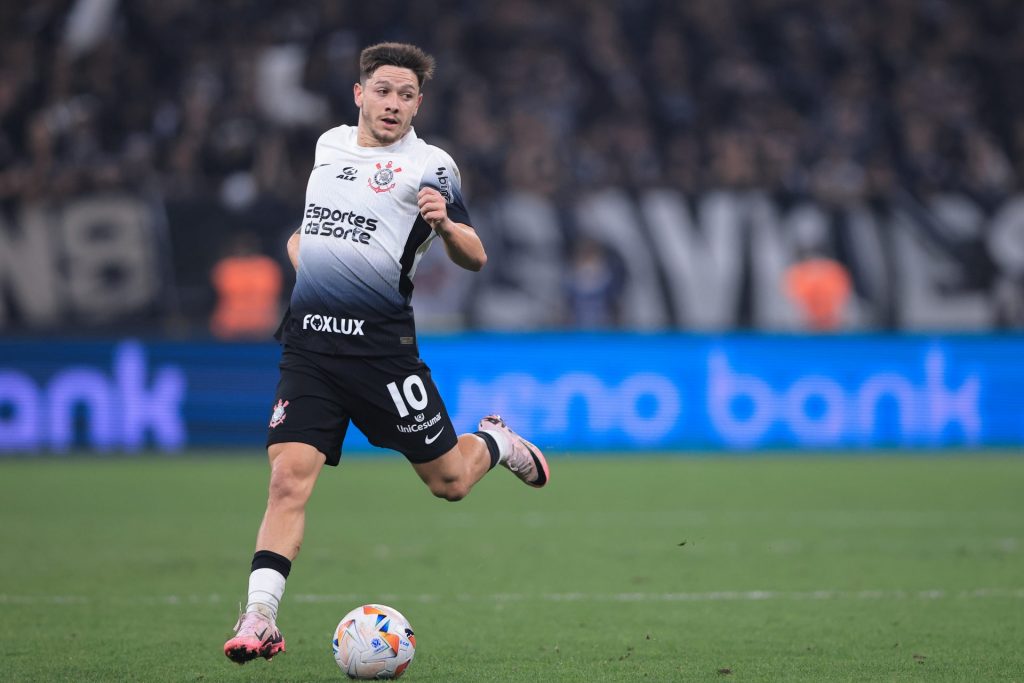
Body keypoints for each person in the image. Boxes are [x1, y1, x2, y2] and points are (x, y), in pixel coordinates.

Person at [223, 42, 550, 665]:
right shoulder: (328, 147)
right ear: (359, 94)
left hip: (382, 355)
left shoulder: (433, 165)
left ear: (418, 103)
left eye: (405, 95)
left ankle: (496, 442)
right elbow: (308, 235)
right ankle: (259, 618)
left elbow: (476, 255)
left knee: (450, 482)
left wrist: (448, 227)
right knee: (288, 480)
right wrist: (313, 269)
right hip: (310, 348)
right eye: (383, 91)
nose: (393, 104)